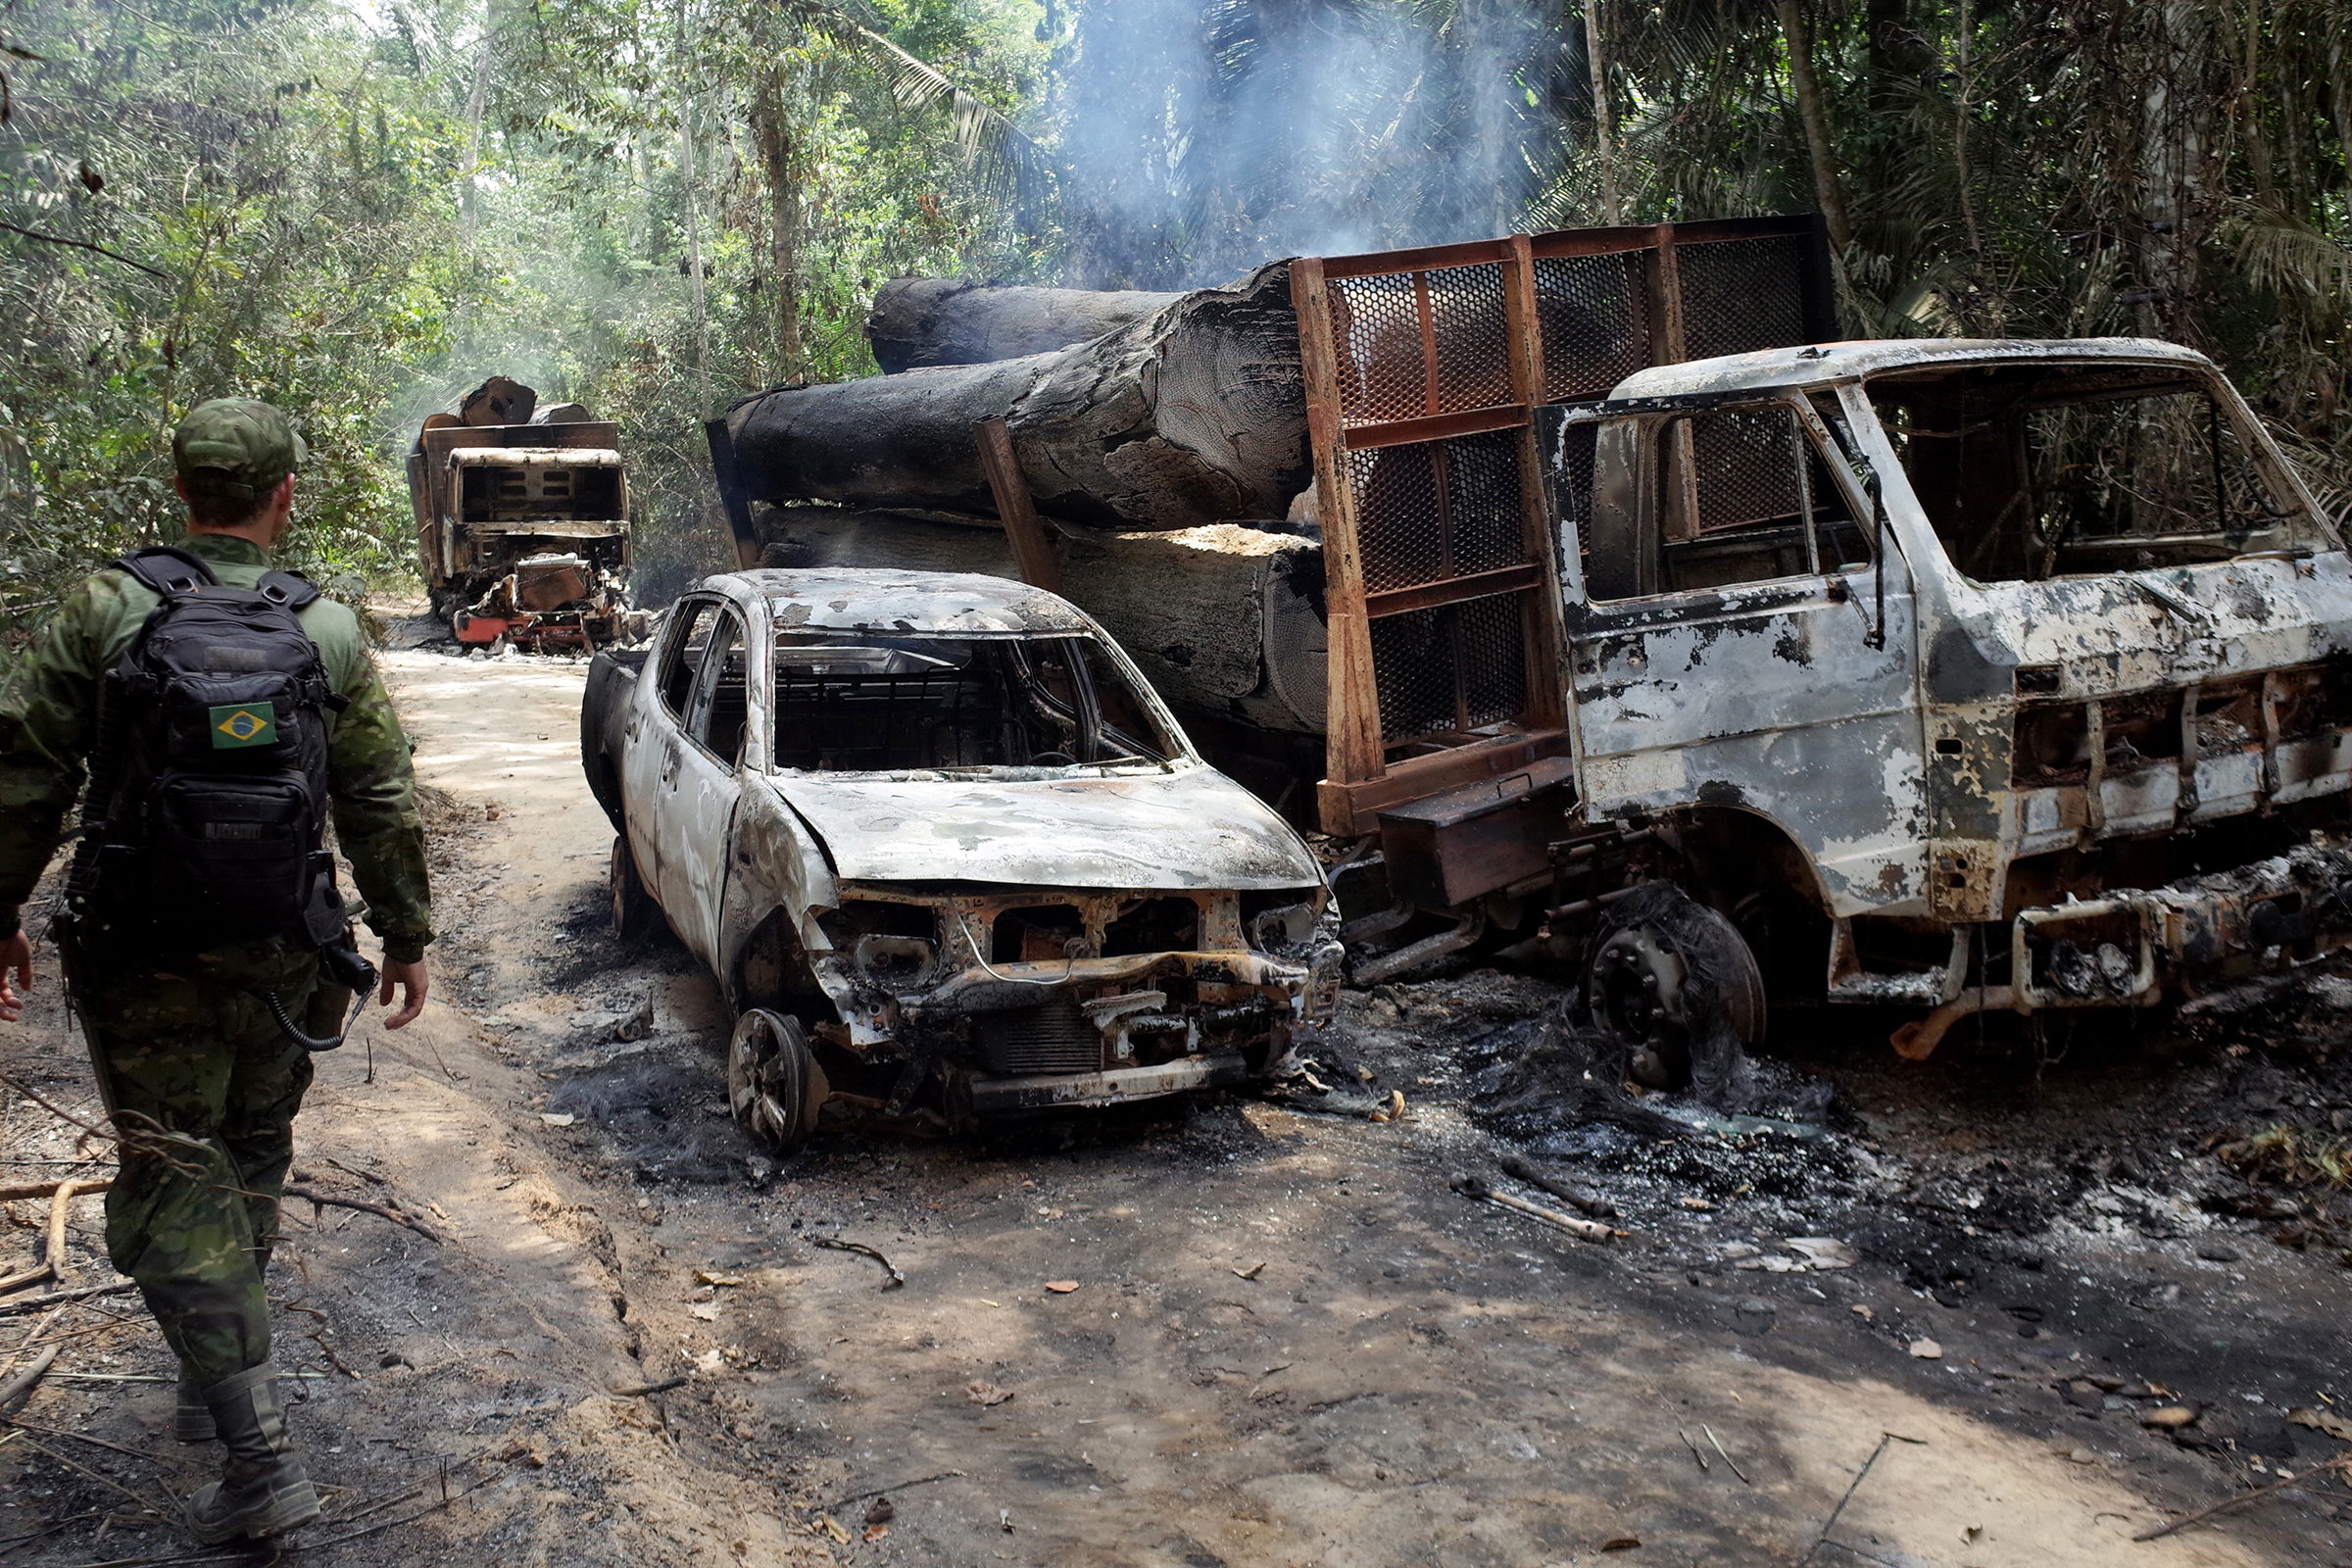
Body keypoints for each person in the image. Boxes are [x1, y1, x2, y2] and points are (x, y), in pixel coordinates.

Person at [0, 398, 432, 1544]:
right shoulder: (327, 628)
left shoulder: (105, 608)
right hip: (290, 951)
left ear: (181, 489)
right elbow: (379, 799)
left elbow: (24, 771)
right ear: (284, 496)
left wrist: (1, 909)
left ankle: (256, 1453)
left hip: (144, 958)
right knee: (247, 1148)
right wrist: (407, 932)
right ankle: (216, 1373)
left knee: (177, 1169)